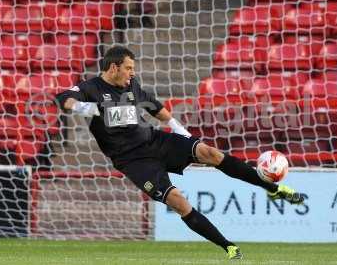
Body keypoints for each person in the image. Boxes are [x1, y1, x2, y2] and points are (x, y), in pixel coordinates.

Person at [56, 46, 304, 260]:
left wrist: (181, 130)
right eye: (129, 68)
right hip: (132, 161)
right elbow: (63, 98)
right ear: (113, 67)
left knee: (210, 153)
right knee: (179, 203)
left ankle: (273, 189)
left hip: (154, 140)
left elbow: (155, 107)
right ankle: (229, 247)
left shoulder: (131, 84)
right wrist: (86, 108)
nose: (132, 73)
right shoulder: (90, 88)